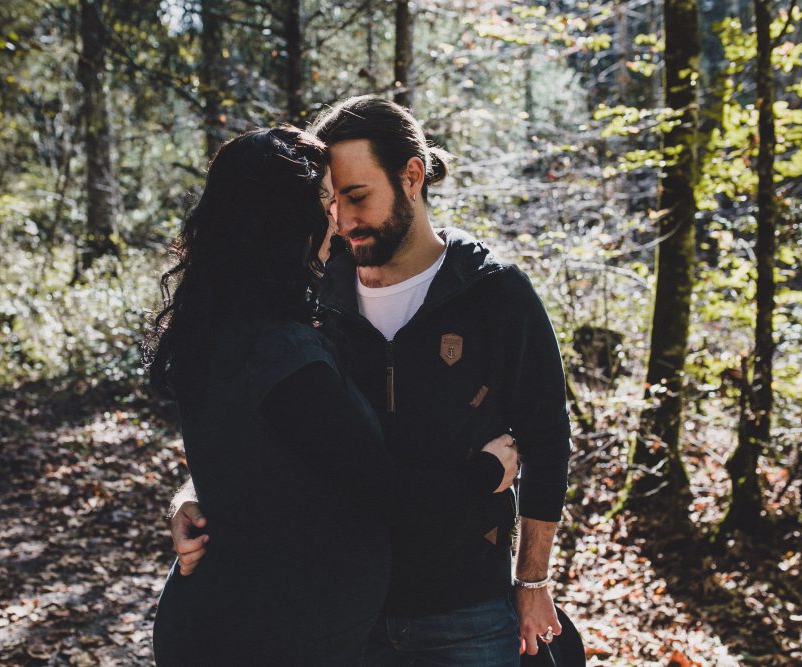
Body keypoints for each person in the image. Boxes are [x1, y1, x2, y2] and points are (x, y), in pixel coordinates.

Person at [169, 98, 573, 665]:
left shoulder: (494, 293)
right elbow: (264, 422)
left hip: (466, 611)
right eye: (330, 202)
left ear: (411, 176)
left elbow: (548, 440)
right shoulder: (308, 293)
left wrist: (532, 583)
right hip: (335, 620)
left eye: (357, 197)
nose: (341, 219)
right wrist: (192, 495)